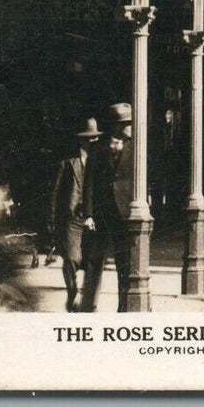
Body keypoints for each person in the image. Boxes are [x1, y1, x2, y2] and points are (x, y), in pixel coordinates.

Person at [82, 103, 134, 313]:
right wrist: (88, 214)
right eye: (126, 123)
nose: (131, 126)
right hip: (102, 212)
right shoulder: (99, 147)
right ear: (116, 126)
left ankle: (123, 307)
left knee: (125, 263)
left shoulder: (135, 148)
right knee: (95, 262)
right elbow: (89, 183)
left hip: (125, 213)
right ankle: (88, 306)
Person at [48, 117, 102, 311]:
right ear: (81, 140)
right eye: (88, 139)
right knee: (71, 258)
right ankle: (72, 291)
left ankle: (89, 302)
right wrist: (52, 218)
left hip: (93, 219)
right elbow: (55, 191)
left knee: (90, 261)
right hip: (73, 218)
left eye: (95, 139)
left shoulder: (100, 161)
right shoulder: (68, 161)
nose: (92, 143)